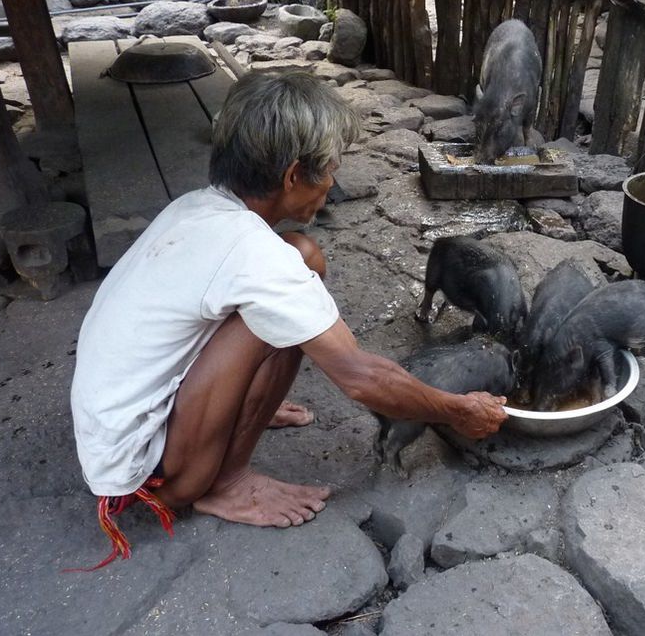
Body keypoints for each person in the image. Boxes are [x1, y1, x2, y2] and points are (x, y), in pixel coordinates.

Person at [69, 71, 507, 569]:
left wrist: (238, 396)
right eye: (330, 173)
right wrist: (457, 409)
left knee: (302, 257)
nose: (331, 188)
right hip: (151, 475)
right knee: (288, 301)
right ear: (293, 176)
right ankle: (224, 484)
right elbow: (363, 380)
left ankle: (225, 412)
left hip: (119, 430)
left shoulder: (198, 208)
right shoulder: (254, 256)